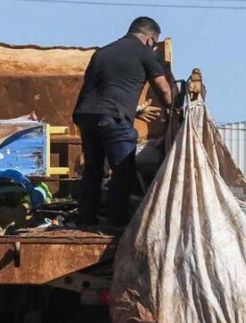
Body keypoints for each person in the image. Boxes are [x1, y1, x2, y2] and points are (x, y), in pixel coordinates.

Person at [72, 16, 175, 225]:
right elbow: (164, 90)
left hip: (85, 116)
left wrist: (132, 112)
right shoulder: (145, 53)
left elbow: (103, 91)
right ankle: (117, 222)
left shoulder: (102, 52)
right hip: (113, 117)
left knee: (93, 169)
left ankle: (86, 219)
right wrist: (173, 110)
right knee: (123, 170)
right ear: (150, 40)